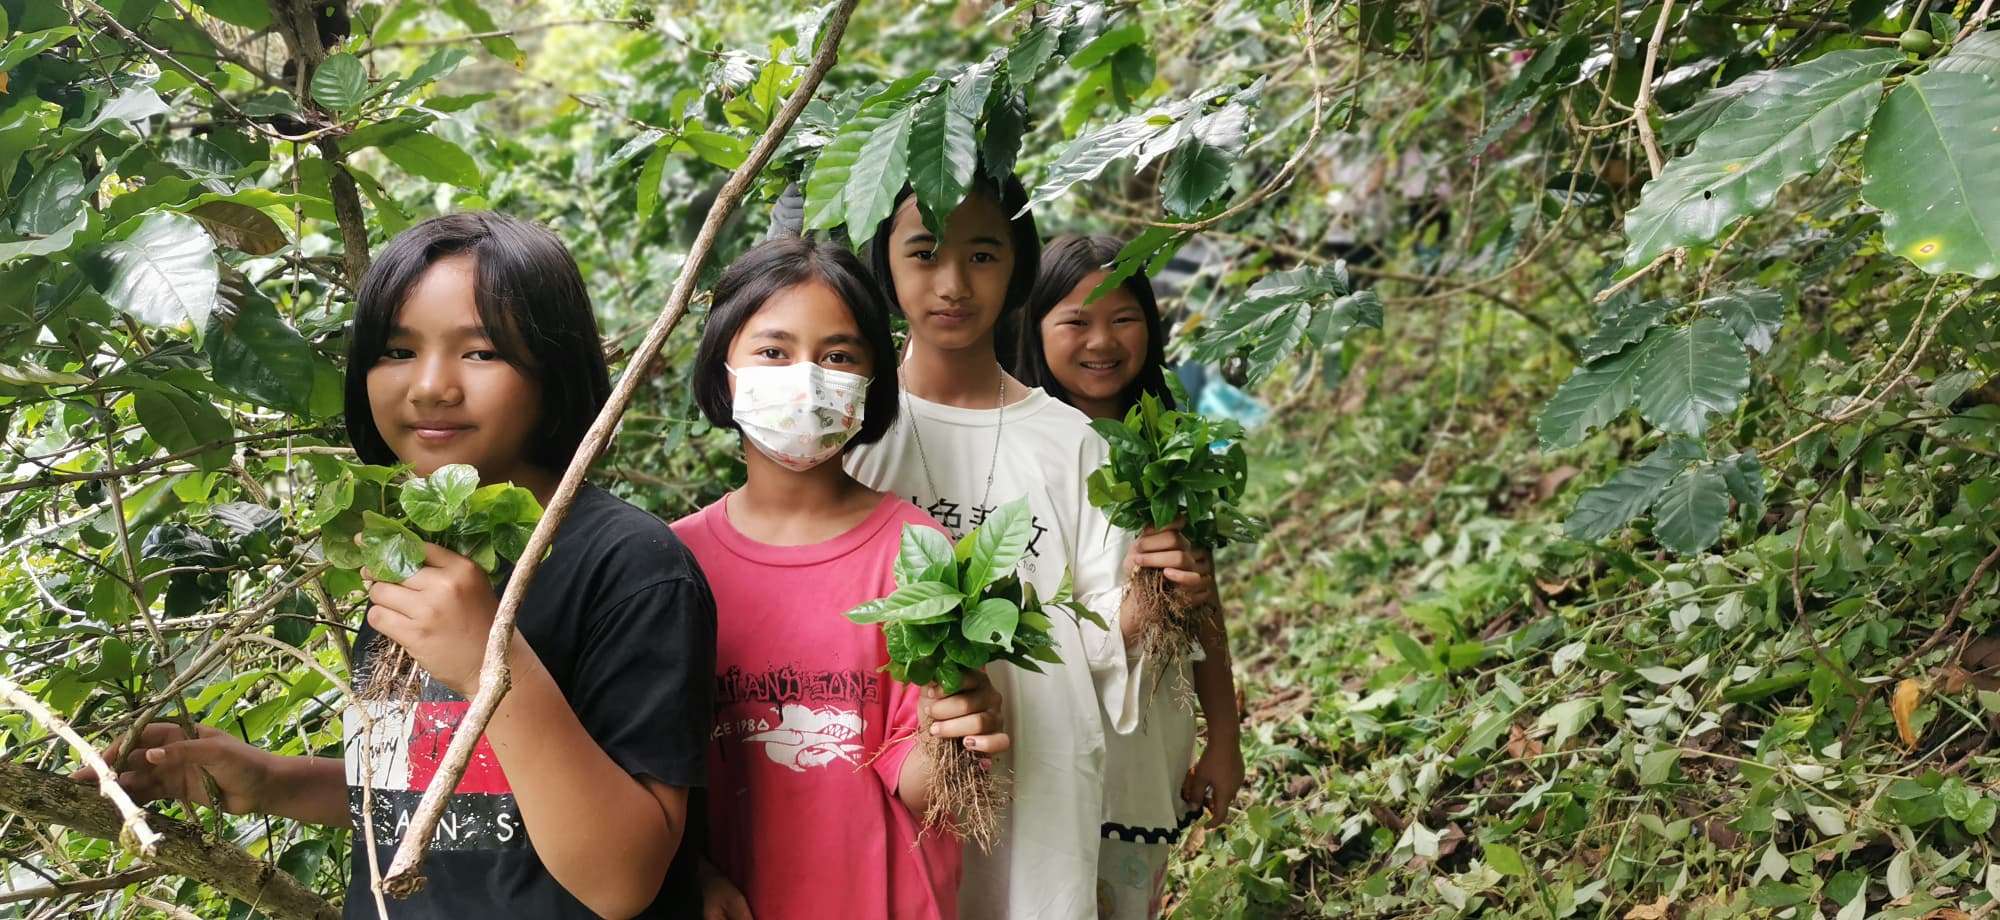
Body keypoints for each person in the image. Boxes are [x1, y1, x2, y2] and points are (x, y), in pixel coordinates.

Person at [76, 212, 715, 919]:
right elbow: (442, 801)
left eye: (480, 352)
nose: (431, 386)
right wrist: (271, 781)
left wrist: (489, 665)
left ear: (553, 367)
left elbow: (622, 880)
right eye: (396, 350)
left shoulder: (631, 567)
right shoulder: (406, 549)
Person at [844, 177, 1217, 919]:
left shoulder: (1073, 444)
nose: (952, 284)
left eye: (982, 254)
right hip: (876, 776)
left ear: (1016, 264)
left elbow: (1111, 637)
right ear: (885, 267)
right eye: (924, 253)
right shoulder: (851, 434)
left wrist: (1155, 596)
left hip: (1042, 776)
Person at [671, 235, 1009, 920]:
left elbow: (922, 786)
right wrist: (693, 875)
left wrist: (958, 734)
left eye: (838, 355)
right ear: (721, 366)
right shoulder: (672, 568)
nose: (806, 377)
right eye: (773, 351)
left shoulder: (918, 552)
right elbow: (656, 782)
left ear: (871, 380)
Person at [1014, 233, 1245, 919]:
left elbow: (1204, 599)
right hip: (1047, 739)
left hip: (1149, 738)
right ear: (1036, 327)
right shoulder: (1017, 447)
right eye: (1075, 321)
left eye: (1123, 317)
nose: (1101, 341)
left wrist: (1224, 739)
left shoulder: (1171, 440)